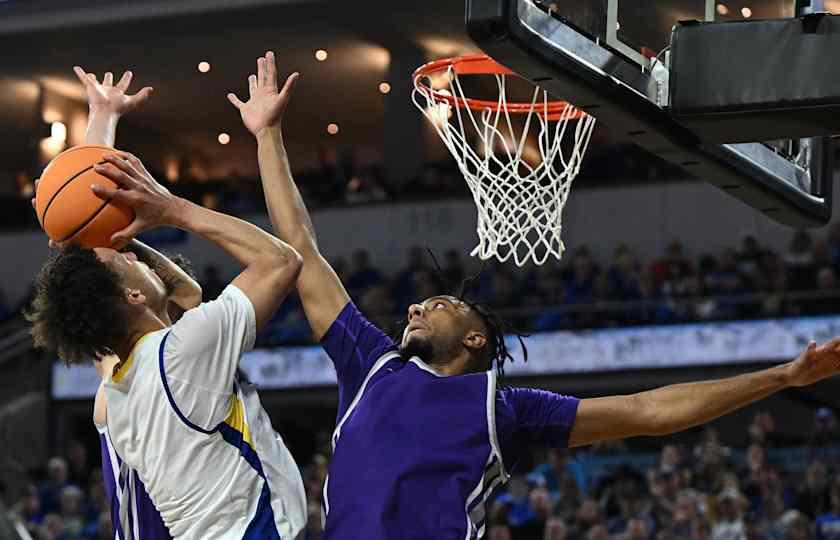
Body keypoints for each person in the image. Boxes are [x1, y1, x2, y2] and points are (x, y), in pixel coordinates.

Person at [230, 50, 840, 539]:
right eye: (420, 303)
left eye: (438, 304)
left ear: (474, 338)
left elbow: (652, 411)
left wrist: (782, 377)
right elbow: (302, 250)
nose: (416, 306)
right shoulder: (369, 365)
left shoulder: (506, 406)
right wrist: (268, 136)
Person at [26, 101, 307, 536]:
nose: (134, 252)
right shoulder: (184, 351)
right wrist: (170, 208)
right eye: (127, 258)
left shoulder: (116, 393)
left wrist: (102, 122)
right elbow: (281, 262)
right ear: (135, 294)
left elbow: (184, 293)